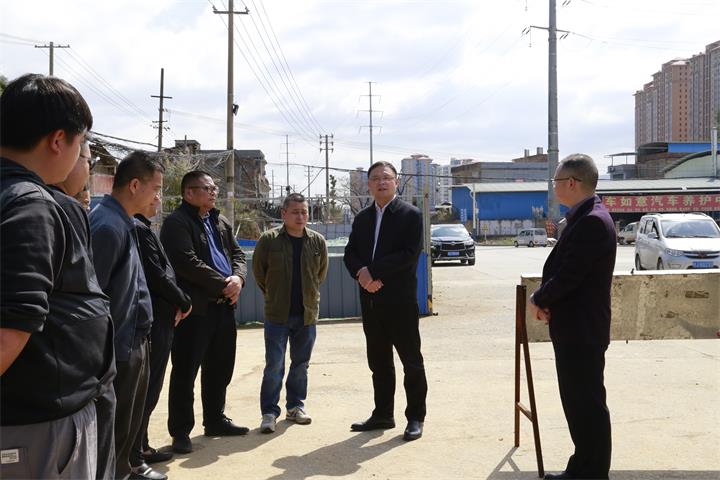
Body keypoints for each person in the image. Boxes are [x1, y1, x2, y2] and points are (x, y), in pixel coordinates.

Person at [0, 73, 115, 479]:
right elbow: (11, 326)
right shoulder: (29, 205)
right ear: (58, 140)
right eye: (81, 143)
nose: (81, 154)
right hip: (35, 427)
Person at [529, 154, 616, 480]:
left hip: (582, 330)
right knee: (579, 405)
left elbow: (569, 275)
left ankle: (593, 473)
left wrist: (539, 298)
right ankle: (582, 468)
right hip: (577, 327)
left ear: (571, 183)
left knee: (587, 405)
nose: (554, 187)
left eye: (556, 181)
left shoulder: (592, 221)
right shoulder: (585, 216)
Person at [90, 151, 167, 480]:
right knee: (115, 433)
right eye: (156, 188)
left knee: (127, 429)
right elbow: (95, 297)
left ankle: (126, 470)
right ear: (135, 185)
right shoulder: (107, 226)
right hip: (119, 348)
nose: (158, 196)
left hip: (135, 339)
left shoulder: (125, 222)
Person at [161, 170, 248, 454]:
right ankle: (180, 432)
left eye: (214, 188)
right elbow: (186, 262)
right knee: (185, 371)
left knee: (220, 367)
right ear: (189, 193)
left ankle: (215, 419)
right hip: (195, 310)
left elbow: (238, 254)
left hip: (224, 307)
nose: (213, 192)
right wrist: (224, 284)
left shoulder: (219, 220)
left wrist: (238, 279)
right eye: (207, 188)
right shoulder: (176, 223)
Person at [343, 160, 428, 442]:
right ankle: (382, 414)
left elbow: (409, 254)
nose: (381, 182)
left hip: (400, 300)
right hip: (370, 300)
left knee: (411, 362)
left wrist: (374, 272)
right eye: (376, 178)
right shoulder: (362, 218)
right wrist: (361, 274)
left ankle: (415, 417)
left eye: (387, 177)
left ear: (396, 182)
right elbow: (351, 253)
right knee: (378, 362)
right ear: (369, 184)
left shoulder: (410, 215)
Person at [49, 139, 117, 479]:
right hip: (62, 392)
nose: (89, 168)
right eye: (87, 159)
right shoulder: (43, 209)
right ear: (57, 144)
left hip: (87, 380)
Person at [252, 193, 328, 433]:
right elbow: (259, 274)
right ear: (283, 213)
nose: (300, 216)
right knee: (274, 365)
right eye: (295, 212)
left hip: (306, 315)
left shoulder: (317, 241)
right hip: (277, 315)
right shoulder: (269, 240)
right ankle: (269, 413)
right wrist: (274, 296)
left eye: (304, 212)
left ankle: (295, 407)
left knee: (301, 364)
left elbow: (320, 275)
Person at [131, 197, 193, 467]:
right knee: (147, 387)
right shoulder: (137, 229)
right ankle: (136, 452)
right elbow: (156, 275)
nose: (158, 198)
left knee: (151, 386)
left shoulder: (143, 227)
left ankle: (141, 445)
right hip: (154, 319)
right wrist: (184, 300)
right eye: (154, 190)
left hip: (161, 317)